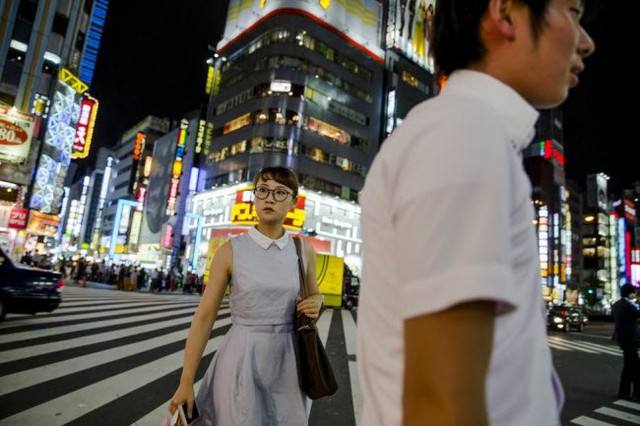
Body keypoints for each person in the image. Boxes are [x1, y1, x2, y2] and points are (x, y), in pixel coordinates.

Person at [357, 1, 595, 425]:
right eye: (573, 12)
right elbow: (440, 404)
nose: (587, 42)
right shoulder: (465, 132)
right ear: (505, 13)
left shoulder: (466, 131)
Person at [168, 166, 323, 425]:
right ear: (254, 197)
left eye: (280, 192)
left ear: (293, 202)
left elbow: (315, 293)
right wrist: (186, 382)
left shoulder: (303, 250)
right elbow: (204, 317)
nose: (269, 198)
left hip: (288, 361)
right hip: (241, 357)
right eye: (262, 190)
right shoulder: (230, 251)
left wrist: (317, 302)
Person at [612, 284, 640, 401]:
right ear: (630, 293)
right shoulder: (627, 306)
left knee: (631, 367)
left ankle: (627, 392)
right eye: (633, 292)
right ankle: (629, 393)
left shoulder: (616, 305)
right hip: (629, 340)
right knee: (633, 367)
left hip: (623, 339)